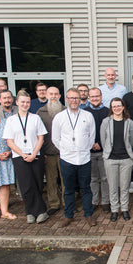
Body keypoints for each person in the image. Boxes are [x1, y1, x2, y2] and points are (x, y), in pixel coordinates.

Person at [52, 87, 97, 227]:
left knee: (86, 188)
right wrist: (67, 150)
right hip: (67, 159)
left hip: (84, 158)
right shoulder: (59, 117)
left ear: (80, 99)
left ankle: (88, 215)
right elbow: (55, 139)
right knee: (68, 189)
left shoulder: (87, 115)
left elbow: (91, 136)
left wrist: (83, 149)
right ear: (66, 99)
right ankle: (68, 216)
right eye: (71, 98)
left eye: (76, 98)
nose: (74, 101)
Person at [3, 90, 49, 224]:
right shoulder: (11, 120)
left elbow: (41, 138)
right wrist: (23, 154)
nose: (25, 104)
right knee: (26, 185)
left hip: (35, 155)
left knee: (38, 183)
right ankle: (31, 212)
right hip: (19, 156)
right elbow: (9, 141)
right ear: (16, 102)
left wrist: (33, 154)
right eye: (22, 102)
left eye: (27, 102)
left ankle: (40, 212)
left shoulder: (36, 118)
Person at [100, 98, 133, 222]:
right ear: (111, 108)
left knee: (124, 187)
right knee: (113, 186)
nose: (117, 108)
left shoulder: (129, 122)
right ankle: (114, 210)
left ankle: (124, 209)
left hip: (126, 159)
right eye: (114, 106)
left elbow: (131, 141)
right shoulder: (105, 122)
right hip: (111, 159)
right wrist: (108, 153)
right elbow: (104, 140)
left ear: (123, 107)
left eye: (119, 106)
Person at [37, 86, 65, 216]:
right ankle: (54, 204)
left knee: (65, 179)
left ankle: (67, 203)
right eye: (51, 94)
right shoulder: (40, 113)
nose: (53, 96)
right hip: (48, 152)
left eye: (56, 94)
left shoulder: (65, 110)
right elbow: (37, 135)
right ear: (47, 95)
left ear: (60, 96)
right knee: (51, 180)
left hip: (64, 152)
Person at [84, 87, 110, 211]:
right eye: (92, 96)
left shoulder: (108, 112)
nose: (95, 98)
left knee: (105, 178)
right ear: (89, 98)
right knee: (93, 179)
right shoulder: (84, 112)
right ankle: (94, 201)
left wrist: (100, 143)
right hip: (89, 151)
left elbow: (109, 132)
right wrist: (92, 143)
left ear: (101, 97)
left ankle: (105, 201)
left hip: (104, 150)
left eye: (97, 96)